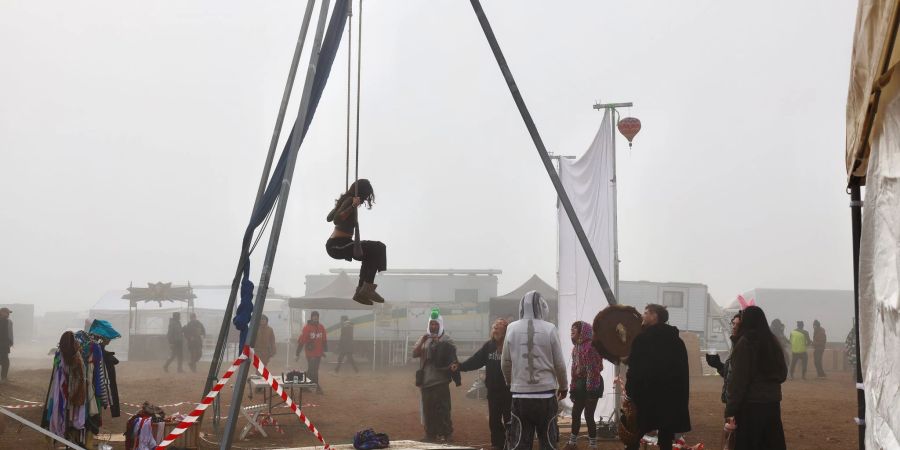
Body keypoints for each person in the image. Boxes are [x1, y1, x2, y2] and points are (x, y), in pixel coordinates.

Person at [501, 291, 568, 450]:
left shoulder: (511, 328)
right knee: (549, 444)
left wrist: (510, 382)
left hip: (520, 397)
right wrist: (564, 386)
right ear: (542, 307)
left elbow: (505, 362)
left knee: (520, 444)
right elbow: (559, 363)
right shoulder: (550, 329)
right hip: (546, 396)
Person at [620, 304, 691, 450]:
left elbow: (635, 371)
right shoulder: (677, 341)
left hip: (646, 397)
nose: (642, 315)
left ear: (654, 316)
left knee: (634, 434)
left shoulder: (642, 340)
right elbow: (682, 373)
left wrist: (630, 392)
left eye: (646, 313)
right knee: (666, 439)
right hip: (670, 398)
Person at [724, 306, 788, 449]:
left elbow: (738, 381)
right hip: (772, 405)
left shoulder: (746, 342)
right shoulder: (773, 342)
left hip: (750, 406)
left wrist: (730, 410)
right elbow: (782, 374)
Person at [451, 318, 510, 450]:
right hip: (493, 391)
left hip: (509, 391)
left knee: (510, 420)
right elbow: (475, 361)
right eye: (494, 327)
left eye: (499, 327)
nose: (495, 329)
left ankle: (512, 443)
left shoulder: (510, 345)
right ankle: (497, 444)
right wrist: (460, 366)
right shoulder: (488, 346)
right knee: (494, 421)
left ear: (505, 330)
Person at [325, 179, 387, 305]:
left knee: (370, 254)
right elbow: (335, 220)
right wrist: (352, 205)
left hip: (343, 243)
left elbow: (329, 217)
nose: (364, 200)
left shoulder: (346, 199)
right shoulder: (349, 200)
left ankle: (361, 291)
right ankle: (367, 289)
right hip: (337, 245)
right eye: (365, 197)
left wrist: (339, 206)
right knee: (379, 247)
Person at [413, 308, 459, 443]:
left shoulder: (447, 338)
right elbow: (414, 353)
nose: (433, 326)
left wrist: (439, 343)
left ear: (440, 324)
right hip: (426, 381)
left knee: (443, 409)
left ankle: (447, 434)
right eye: (431, 324)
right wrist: (422, 340)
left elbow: (453, 354)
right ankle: (430, 435)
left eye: (436, 324)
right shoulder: (425, 338)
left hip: (441, 380)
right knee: (428, 410)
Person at [564, 321, 604, 450]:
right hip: (581, 384)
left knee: (588, 415)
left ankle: (593, 445)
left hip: (593, 383)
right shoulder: (576, 348)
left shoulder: (590, 347)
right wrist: (573, 388)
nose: (572, 330)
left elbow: (594, 370)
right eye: (571, 328)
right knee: (575, 414)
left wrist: (591, 390)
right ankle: (572, 443)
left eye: (575, 328)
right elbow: (574, 371)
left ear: (583, 331)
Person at [707, 312, 742, 403]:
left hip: (742, 403)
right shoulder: (736, 344)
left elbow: (739, 379)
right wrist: (718, 365)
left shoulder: (745, 347)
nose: (734, 327)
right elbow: (731, 374)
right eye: (733, 323)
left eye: (738, 324)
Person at [297, 311, 327, 394]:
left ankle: (304, 386)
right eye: (313, 316)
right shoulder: (307, 327)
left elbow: (324, 340)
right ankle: (317, 387)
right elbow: (301, 341)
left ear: (318, 317)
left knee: (312, 370)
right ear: (311, 317)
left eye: (316, 316)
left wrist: (324, 350)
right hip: (310, 353)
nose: (315, 317)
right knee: (314, 370)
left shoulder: (321, 327)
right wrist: (297, 353)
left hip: (318, 353)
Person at [0, 307, 13, 383]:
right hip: (3, 344)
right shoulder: (7, 322)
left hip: (4, 345)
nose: (8, 314)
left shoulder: (8, 322)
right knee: (5, 361)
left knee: (5, 361)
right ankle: (4, 378)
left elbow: (10, 333)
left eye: (8, 313)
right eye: (7, 313)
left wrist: (10, 342)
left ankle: (4, 378)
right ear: (1, 312)